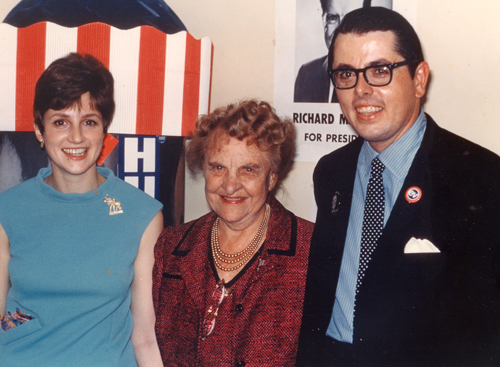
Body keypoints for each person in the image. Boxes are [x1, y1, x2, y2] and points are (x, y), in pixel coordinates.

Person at [297, 7, 500, 366]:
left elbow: (483, 329)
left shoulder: (479, 176)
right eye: (346, 74)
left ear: (419, 79)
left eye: (380, 71)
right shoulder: (332, 172)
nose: (361, 91)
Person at [0, 53, 164, 367]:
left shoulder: (142, 214)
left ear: (104, 130)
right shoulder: (7, 211)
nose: (76, 137)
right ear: (39, 129)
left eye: (89, 122)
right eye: (60, 122)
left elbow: (145, 336)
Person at [153, 100, 314, 366]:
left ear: (272, 177)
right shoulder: (171, 248)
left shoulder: (311, 250)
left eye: (248, 169)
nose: (230, 185)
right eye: (218, 167)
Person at [294, 0, 392, 103]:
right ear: (324, 20)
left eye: (351, 19)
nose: (339, 30)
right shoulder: (307, 74)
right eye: (333, 18)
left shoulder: (382, 74)